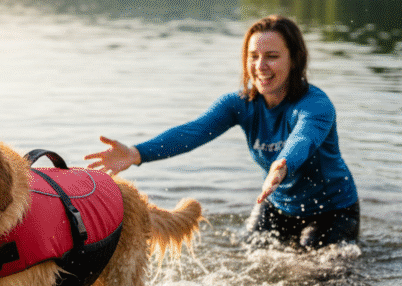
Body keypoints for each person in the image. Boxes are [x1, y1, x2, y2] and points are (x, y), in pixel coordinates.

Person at [85, 15, 359, 250]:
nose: (260, 66)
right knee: (249, 254)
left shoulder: (316, 105)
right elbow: (194, 131)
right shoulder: (239, 104)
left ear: (295, 60)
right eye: (254, 57)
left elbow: (304, 137)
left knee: (315, 277)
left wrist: (282, 164)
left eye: (272, 57)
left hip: (331, 211)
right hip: (277, 204)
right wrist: (136, 153)